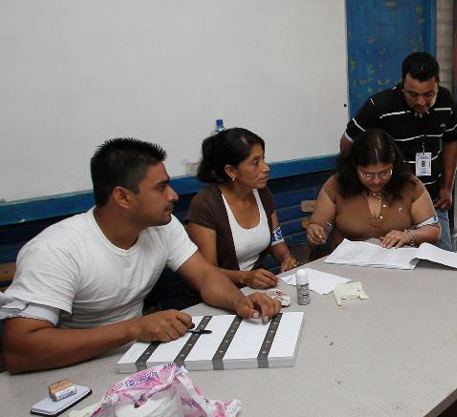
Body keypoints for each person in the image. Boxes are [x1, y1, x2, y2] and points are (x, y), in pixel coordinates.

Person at [1, 138, 280, 374]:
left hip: (138, 359)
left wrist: (240, 301)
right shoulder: (57, 249)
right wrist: (133, 329)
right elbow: (19, 351)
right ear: (123, 197)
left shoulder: (163, 226)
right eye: (160, 187)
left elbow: (206, 276)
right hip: (73, 369)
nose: (173, 195)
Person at [340, 52, 457, 251]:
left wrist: (447, 186)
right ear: (402, 85)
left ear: (438, 85)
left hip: (433, 199)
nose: (421, 102)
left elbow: (451, 141)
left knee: (443, 261)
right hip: (394, 201)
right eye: (413, 94)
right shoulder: (379, 106)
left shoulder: (447, 101)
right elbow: (347, 145)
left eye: (429, 94)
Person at [185, 128, 297, 290]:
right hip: (220, 294)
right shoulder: (205, 205)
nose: (266, 168)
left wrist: (286, 257)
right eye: (255, 162)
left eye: (264, 159)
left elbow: (276, 238)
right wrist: (245, 278)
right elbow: (207, 273)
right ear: (231, 171)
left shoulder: (262, 193)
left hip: (255, 290)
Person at [310, 129, 441, 249]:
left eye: (384, 173)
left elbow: (433, 231)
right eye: (367, 174)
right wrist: (315, 232)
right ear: (354, 167)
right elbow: (319, 226)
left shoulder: (410, 185)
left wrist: (410, 236)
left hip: (397, 266)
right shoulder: (337, 184)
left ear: (394, 166)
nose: (376, 181)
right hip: (347, 267)